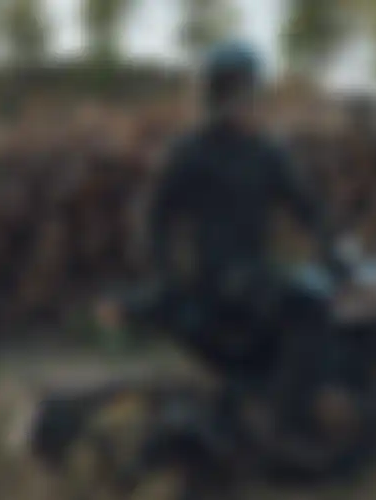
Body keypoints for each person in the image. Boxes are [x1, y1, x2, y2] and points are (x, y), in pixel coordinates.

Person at [95, 41, 347, 454]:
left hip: (230, 279)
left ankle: (267, 408)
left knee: (300, 300)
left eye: (243, 91)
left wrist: (331, 249)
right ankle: (288, 425)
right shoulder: (212, 152)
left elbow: (307, 207)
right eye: (238, 91)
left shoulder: (244, 152)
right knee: (311, 308)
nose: (244, 102)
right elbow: (152, 217)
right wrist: (165, 273)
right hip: (228, 282)